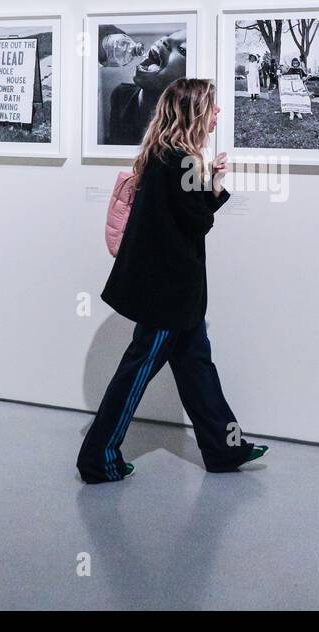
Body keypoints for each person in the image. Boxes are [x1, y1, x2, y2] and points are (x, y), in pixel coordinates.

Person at [78, 78, 267, 483]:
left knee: (197, 368)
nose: (218, 113)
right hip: (169, 293)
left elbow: (184, 216)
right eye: (213, 107)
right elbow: (197, 222)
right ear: (195, 111)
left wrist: (207, 182)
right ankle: (97, 457)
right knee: (136, 372)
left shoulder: (165, 155)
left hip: (172, 292)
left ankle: (224, 447)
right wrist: (214, 184)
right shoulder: (181, 161)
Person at [106, 31, 188, 146]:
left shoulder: (182, 127)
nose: (164, 39)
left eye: (182, 50)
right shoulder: (121, 94)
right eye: (169, 36)